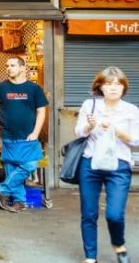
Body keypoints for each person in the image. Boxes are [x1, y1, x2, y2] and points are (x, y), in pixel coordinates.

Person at [74, 66, 139, 263]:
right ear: (100, 87)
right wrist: (90, 125)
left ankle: (118, 245)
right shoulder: (90, 105)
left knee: (114, 215)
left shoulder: (131, 110)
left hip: (119, 166)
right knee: (89, 213)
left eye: (118, 84)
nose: (113, 88)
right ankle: (90, 257)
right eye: (109, 84)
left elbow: (136, 141)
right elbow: (79, 132)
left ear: (124, 88)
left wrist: (117, 131)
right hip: (90, 164)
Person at [0, 56, 48, 212]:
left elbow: (41, 111)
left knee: (30, 165)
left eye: (13, 65)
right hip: (7, 136)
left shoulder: (33, 89)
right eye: (7, 65)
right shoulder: (1, 87)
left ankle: (2, 190)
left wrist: (36, 132)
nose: (9, 68)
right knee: (12, 168)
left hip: (29, 137)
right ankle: (19, 201)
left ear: (23, 68)